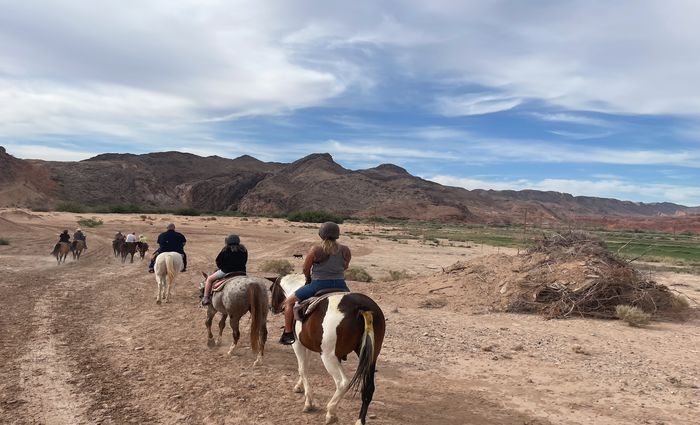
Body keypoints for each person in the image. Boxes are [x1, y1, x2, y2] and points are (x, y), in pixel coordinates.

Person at [279, 222, 351, 345]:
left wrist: (308, 279)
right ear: (337, 235)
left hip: (318, 285)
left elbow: (305, 269)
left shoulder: (315, 250)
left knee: (289, 302)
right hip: (341, 285)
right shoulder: (345, 250)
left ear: (321, 234)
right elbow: (345, 267)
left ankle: (288, 333)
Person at [201, 234, 248, 306]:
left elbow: (218, 261)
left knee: (209, 279)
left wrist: (222, 268)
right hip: (241, 272)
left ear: (227, 242)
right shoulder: (244, 250)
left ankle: (206, 298)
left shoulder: (225, 250)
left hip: (226, 271)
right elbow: (245, 260)